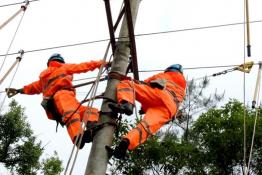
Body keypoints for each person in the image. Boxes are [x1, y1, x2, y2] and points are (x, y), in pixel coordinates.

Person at [6, 53, 107, 149]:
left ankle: (92, 125)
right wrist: (102, 63)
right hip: (62, 95)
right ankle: (77, 135)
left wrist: (20, 90)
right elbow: (83, 66)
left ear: (49, 62)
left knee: (88, 110)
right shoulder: (63, 68)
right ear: (60, 61)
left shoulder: (43, 78)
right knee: (71, 113)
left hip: (58, 103)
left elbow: (32, 87)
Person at [109, 64, 187, 159]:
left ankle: (126, 104)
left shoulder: (167, 74)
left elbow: (145, 84)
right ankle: (125, 144)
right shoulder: (183, 86)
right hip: (169, 109)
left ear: (169, 69)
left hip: (160, 95)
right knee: (146, 127)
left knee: (127, 84)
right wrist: (144, 108)